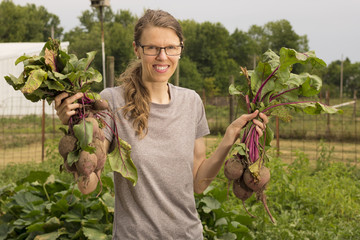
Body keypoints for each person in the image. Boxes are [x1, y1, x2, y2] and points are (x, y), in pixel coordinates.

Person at [55, 9, 268, 240]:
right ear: (137, 49)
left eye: (171, 48)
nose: (162, 56)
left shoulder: (192, 102)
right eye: (152, 48)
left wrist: (230, 137)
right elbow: (87, 186)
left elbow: (198, 184)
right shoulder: (112, 102)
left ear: (180, 49)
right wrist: (76, 132)